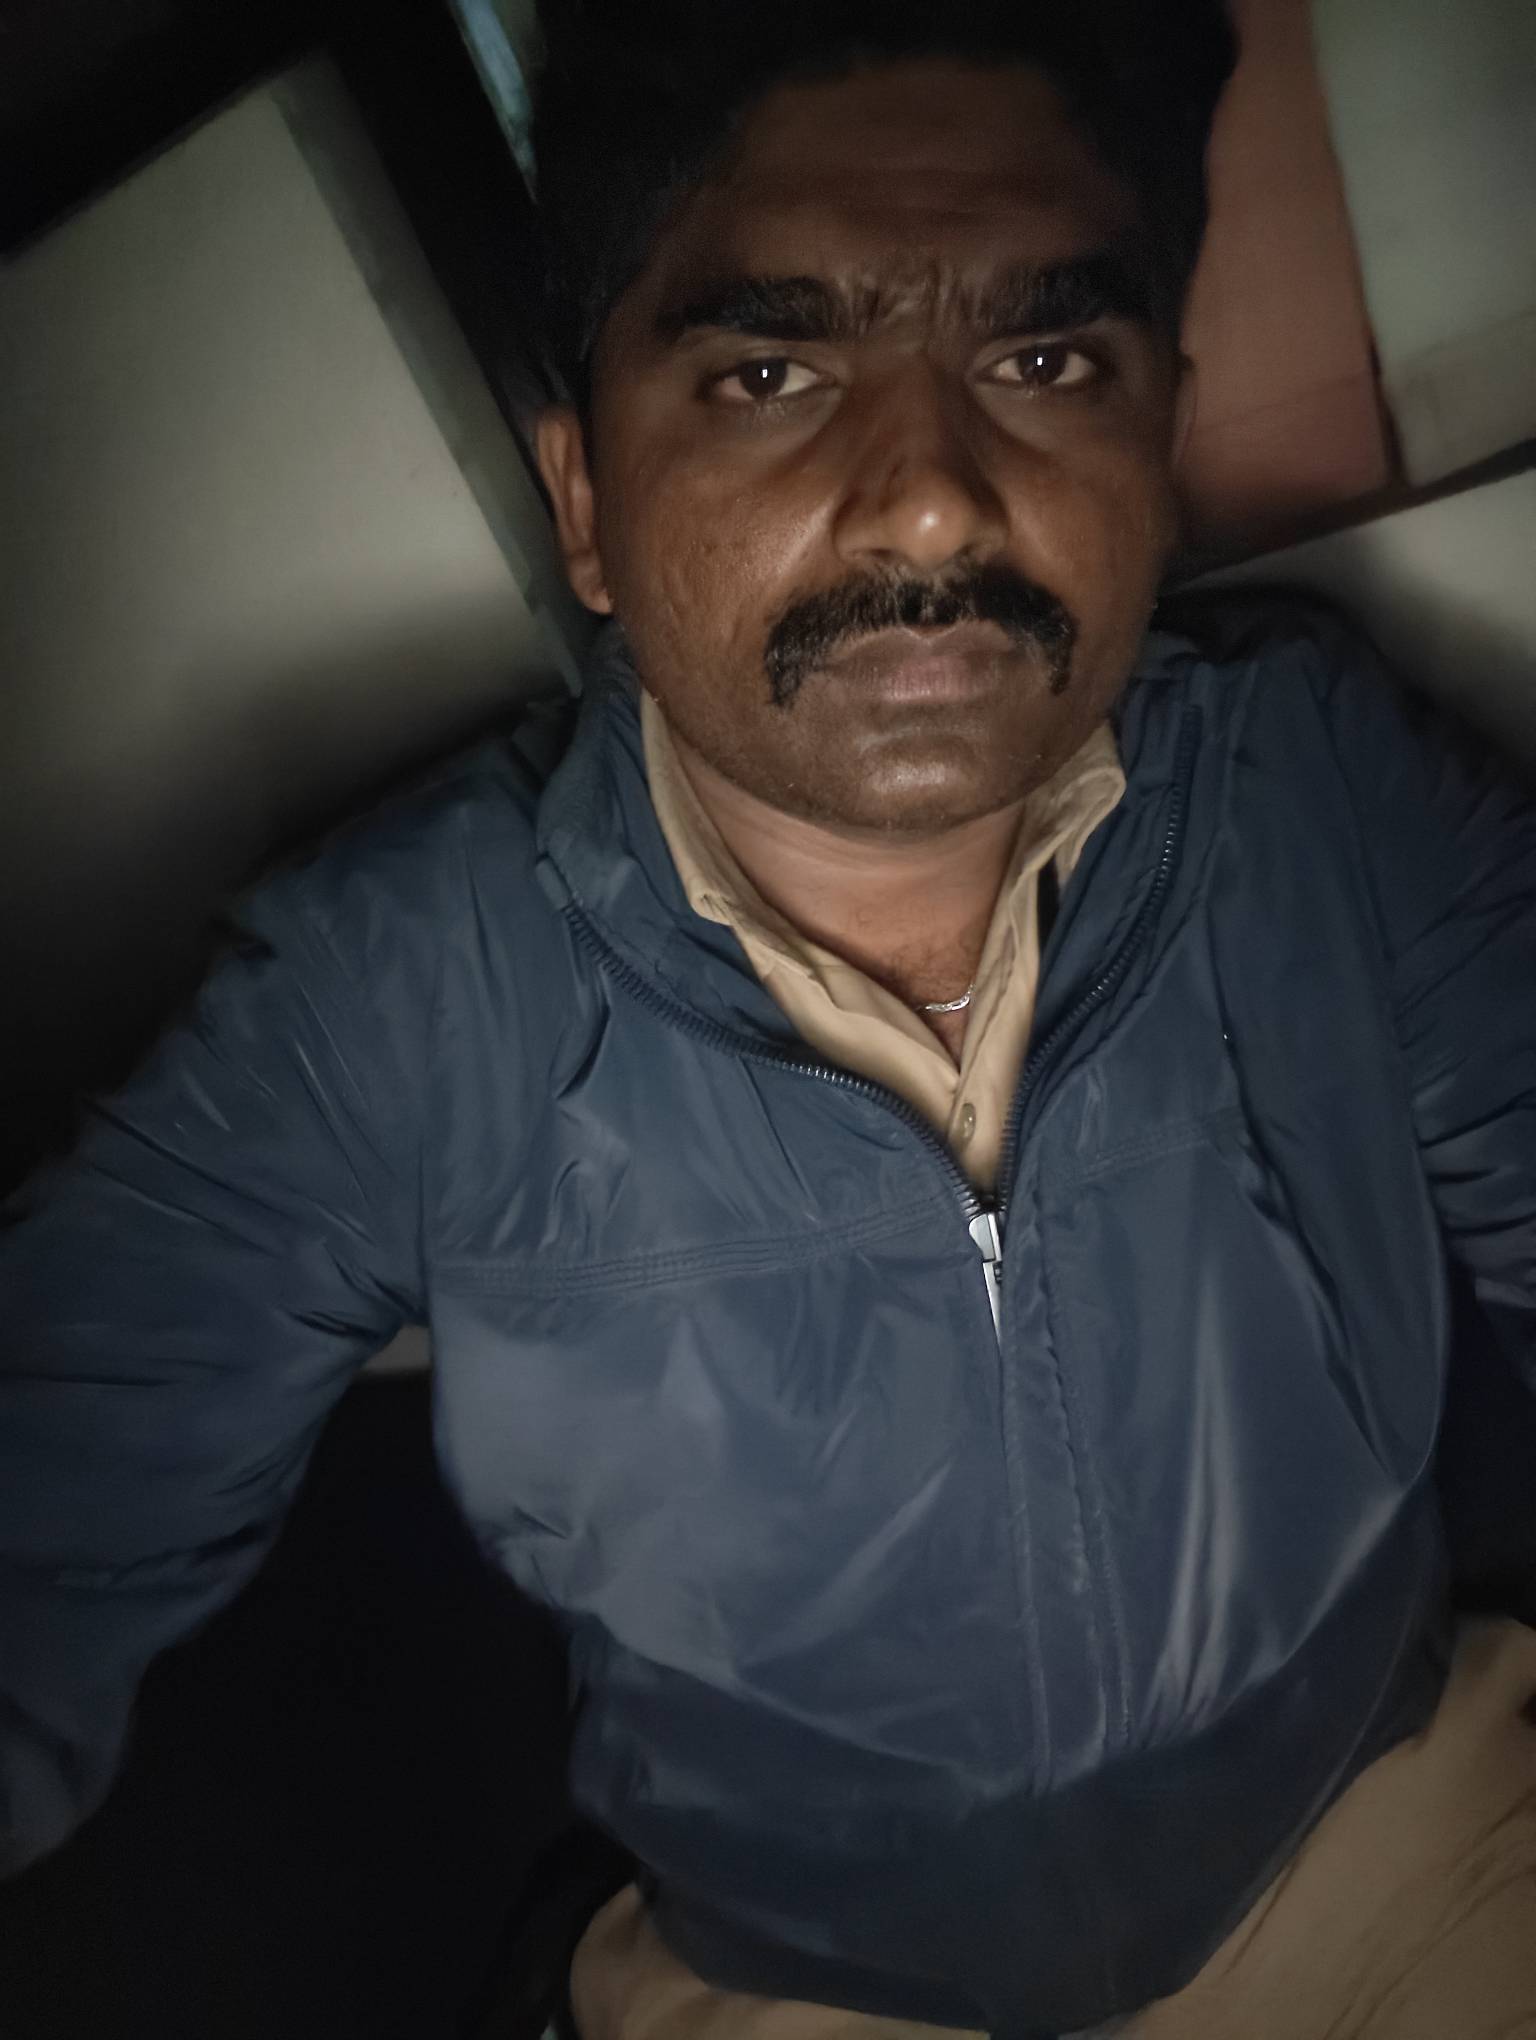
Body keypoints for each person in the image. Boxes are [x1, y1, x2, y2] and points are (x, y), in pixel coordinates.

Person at [3, 3, 1535, 2035]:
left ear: (1155, 439)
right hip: (809, 1979)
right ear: (585, 500)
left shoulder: (1320, 791)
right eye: (772, 372)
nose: (932, 505)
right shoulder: (404, 990)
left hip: (1389, 1833)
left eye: (1044, 361)